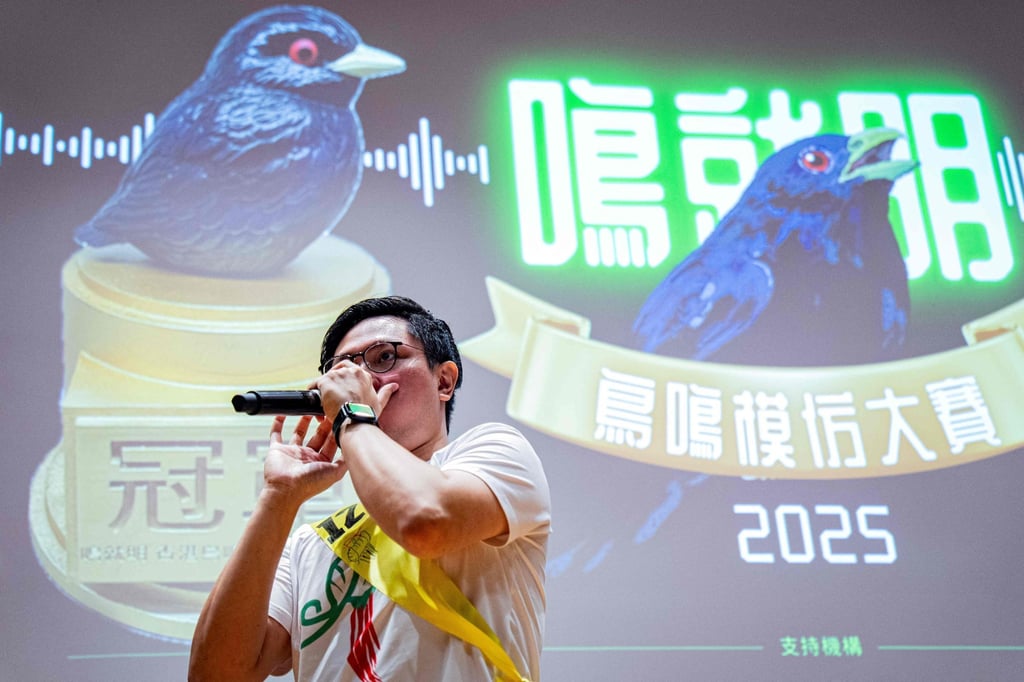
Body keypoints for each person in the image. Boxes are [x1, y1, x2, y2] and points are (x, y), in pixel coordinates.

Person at [189, 296, 551, 681]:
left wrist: (353, 415)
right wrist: (278, 498)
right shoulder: (311, 545)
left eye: (383, 358)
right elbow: (215, 674)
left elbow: (425, 523)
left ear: (443, 381)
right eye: (343, 370)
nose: (361, 380)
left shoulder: (496, 452)